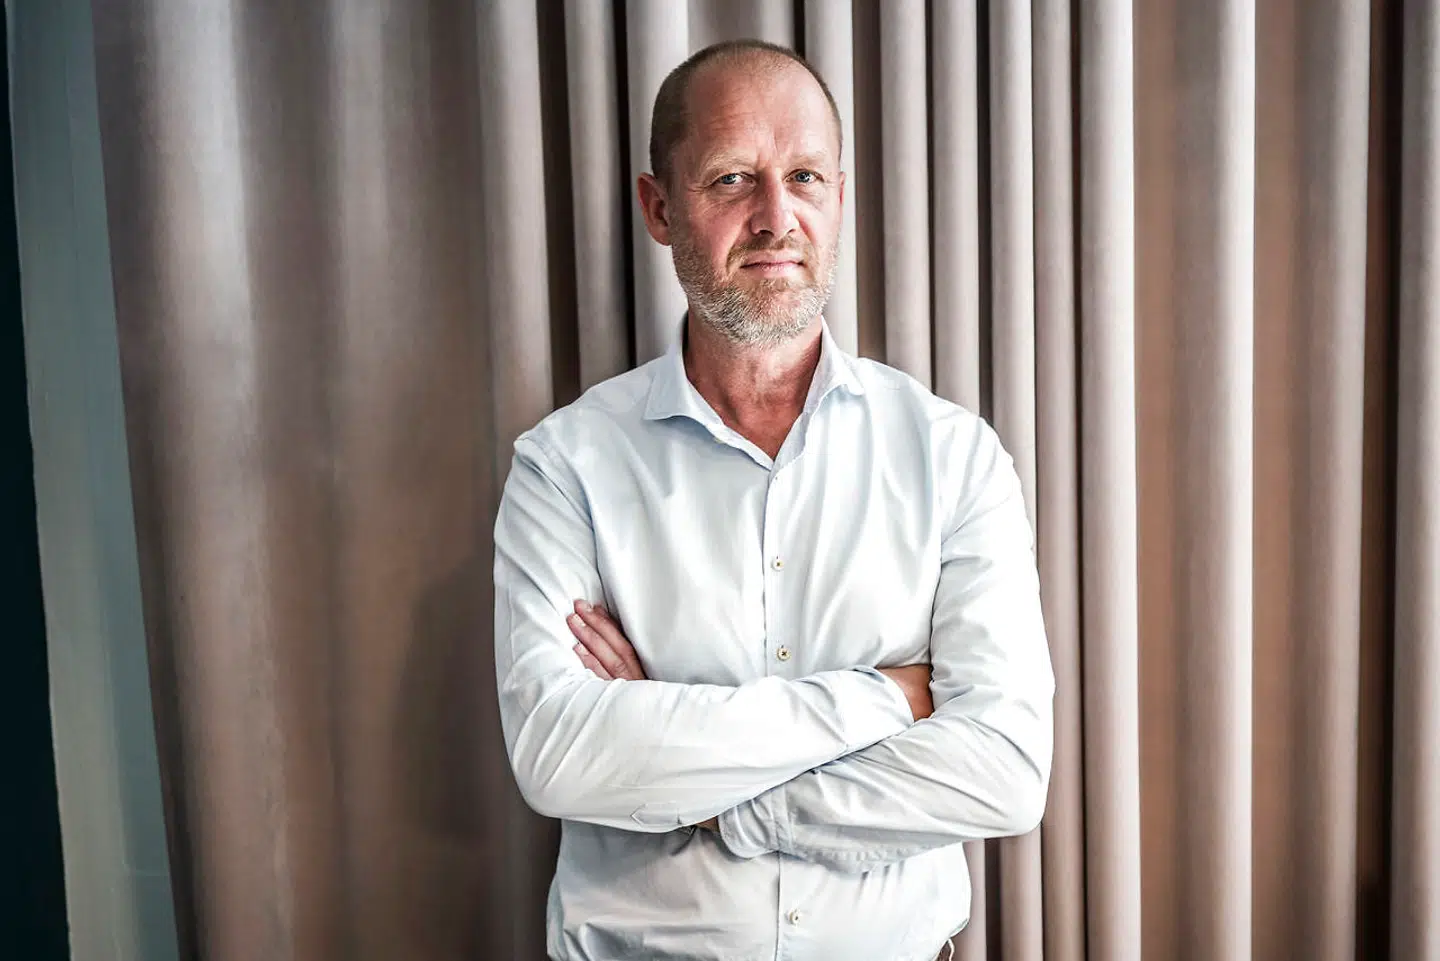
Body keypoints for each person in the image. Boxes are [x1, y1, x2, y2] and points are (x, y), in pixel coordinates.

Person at [493, 38, 1054, 961]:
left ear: (839, 198)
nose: (775, 216)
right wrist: (884, 697)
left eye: (803, 177)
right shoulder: (565, 467)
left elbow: (1003, 771)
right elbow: (559, 754)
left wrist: (710, 796)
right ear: (659, 208)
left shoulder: (954, 457)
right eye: (730, 180)